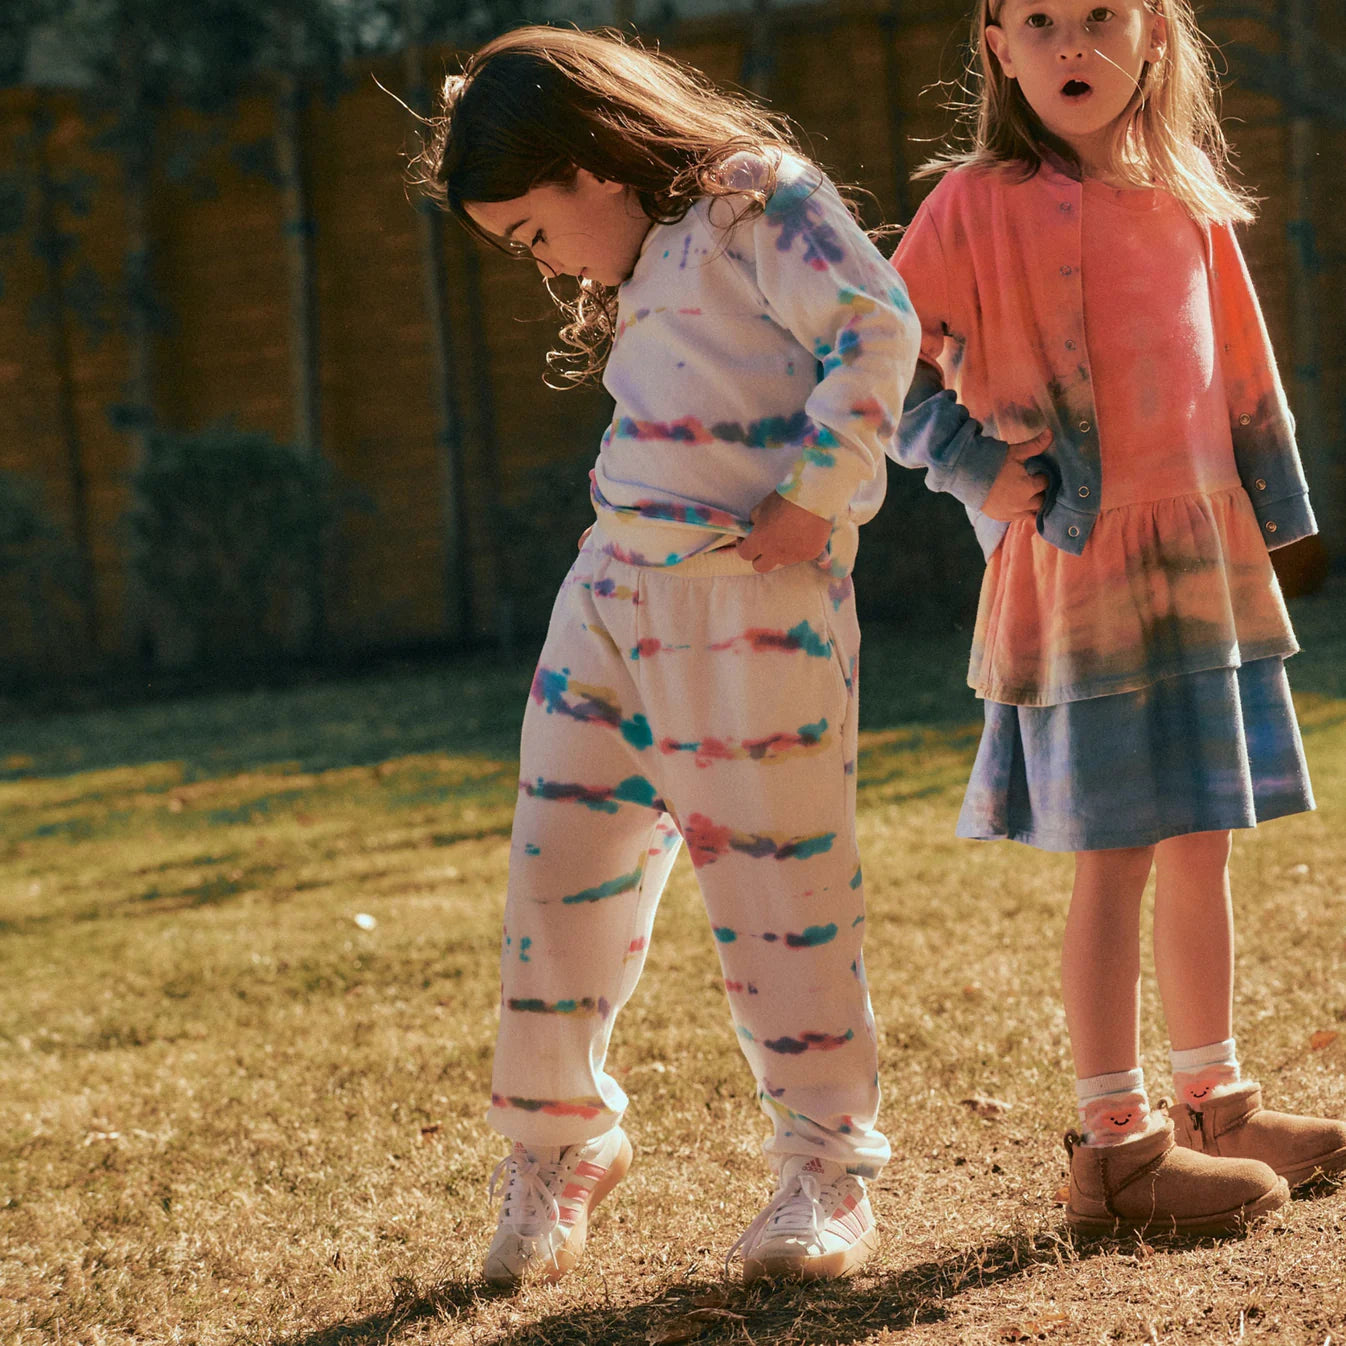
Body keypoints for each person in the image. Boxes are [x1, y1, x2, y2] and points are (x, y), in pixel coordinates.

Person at [413, 25, 920, 1283]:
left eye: (531, 234)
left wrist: (821, 494)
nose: (539, 264)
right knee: (558, 875)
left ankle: (823, 1173)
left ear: (589, 163)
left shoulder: (760, 201)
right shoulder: (641, 260)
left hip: (753, 606)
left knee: (779, 892)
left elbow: (876, 324)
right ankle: (555, 1145)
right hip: (607, 594)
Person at [888, 0, 1346, 1235]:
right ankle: (1114, 1147)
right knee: (1116, 856)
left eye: (1099, 16)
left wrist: (1274, 520)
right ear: (995, 43)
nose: (1070, 46)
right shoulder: (968, 206)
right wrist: (971, 465)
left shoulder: (1189, 198)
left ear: (1153, 32)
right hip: (1077, 572)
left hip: (1199, 568)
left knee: (1204, 836)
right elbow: (870, 355)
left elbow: (1243, 372)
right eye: (1039, 21)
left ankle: (1217, 1105)